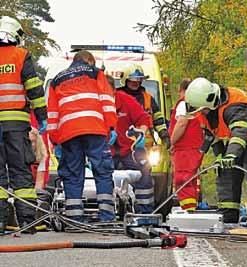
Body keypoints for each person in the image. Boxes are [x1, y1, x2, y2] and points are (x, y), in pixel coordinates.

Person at [185, 77, 247, 235]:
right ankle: (228, 219)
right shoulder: (205, 111)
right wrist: (221, 156)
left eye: (203, 110)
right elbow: (212, 136)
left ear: (212, 101)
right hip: (239, 142)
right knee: (225, 173)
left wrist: (231, 155)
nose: (202, 113)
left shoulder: (235, 105)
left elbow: (240, 131)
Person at [47, 50, 117, 222]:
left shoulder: (56, 80)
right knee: (102, 171)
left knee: (72, 173)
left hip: (68, 132)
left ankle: (74, 218)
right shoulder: (95, 73)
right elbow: (107, 102)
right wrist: (110, 127)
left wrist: (55, 138)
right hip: (94, 128)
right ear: (88, 60)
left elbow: (52, 113)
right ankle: (106, 217)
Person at [0, 16, 47, 233]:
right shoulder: (21, 55)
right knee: (20, 170)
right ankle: (27, 221)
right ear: (15, 34)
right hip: (16, 124)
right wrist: (42, 115)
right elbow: (34, 88)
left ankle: (0, 223)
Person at [106, 75, 155, 213]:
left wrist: (141, 133)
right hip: (106, 149)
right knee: (100, 176)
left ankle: (145, 211)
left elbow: (144, 118)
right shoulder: (94, 103)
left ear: (113, 91)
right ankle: (106, 211)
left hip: (129, 148)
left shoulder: (126, 100)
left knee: (144, 168)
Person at [168, 78, 204, 211]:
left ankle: (188, 212)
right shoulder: (198, 106)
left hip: (185, 150)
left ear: (182, 91)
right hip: (194, 148)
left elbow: (182, 123)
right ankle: (190, 209)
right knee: (190, 181)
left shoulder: (184, 104)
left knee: (182, 180)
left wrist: (171, 142)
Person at [118, 64, 170, 148]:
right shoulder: (117, 97)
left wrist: (164, 136)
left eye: (138, 80)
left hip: (145, 149)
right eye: (133, 80)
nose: (136, 83)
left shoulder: (148, 98)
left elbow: (158, 120)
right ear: (126, 80)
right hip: (122, 147)